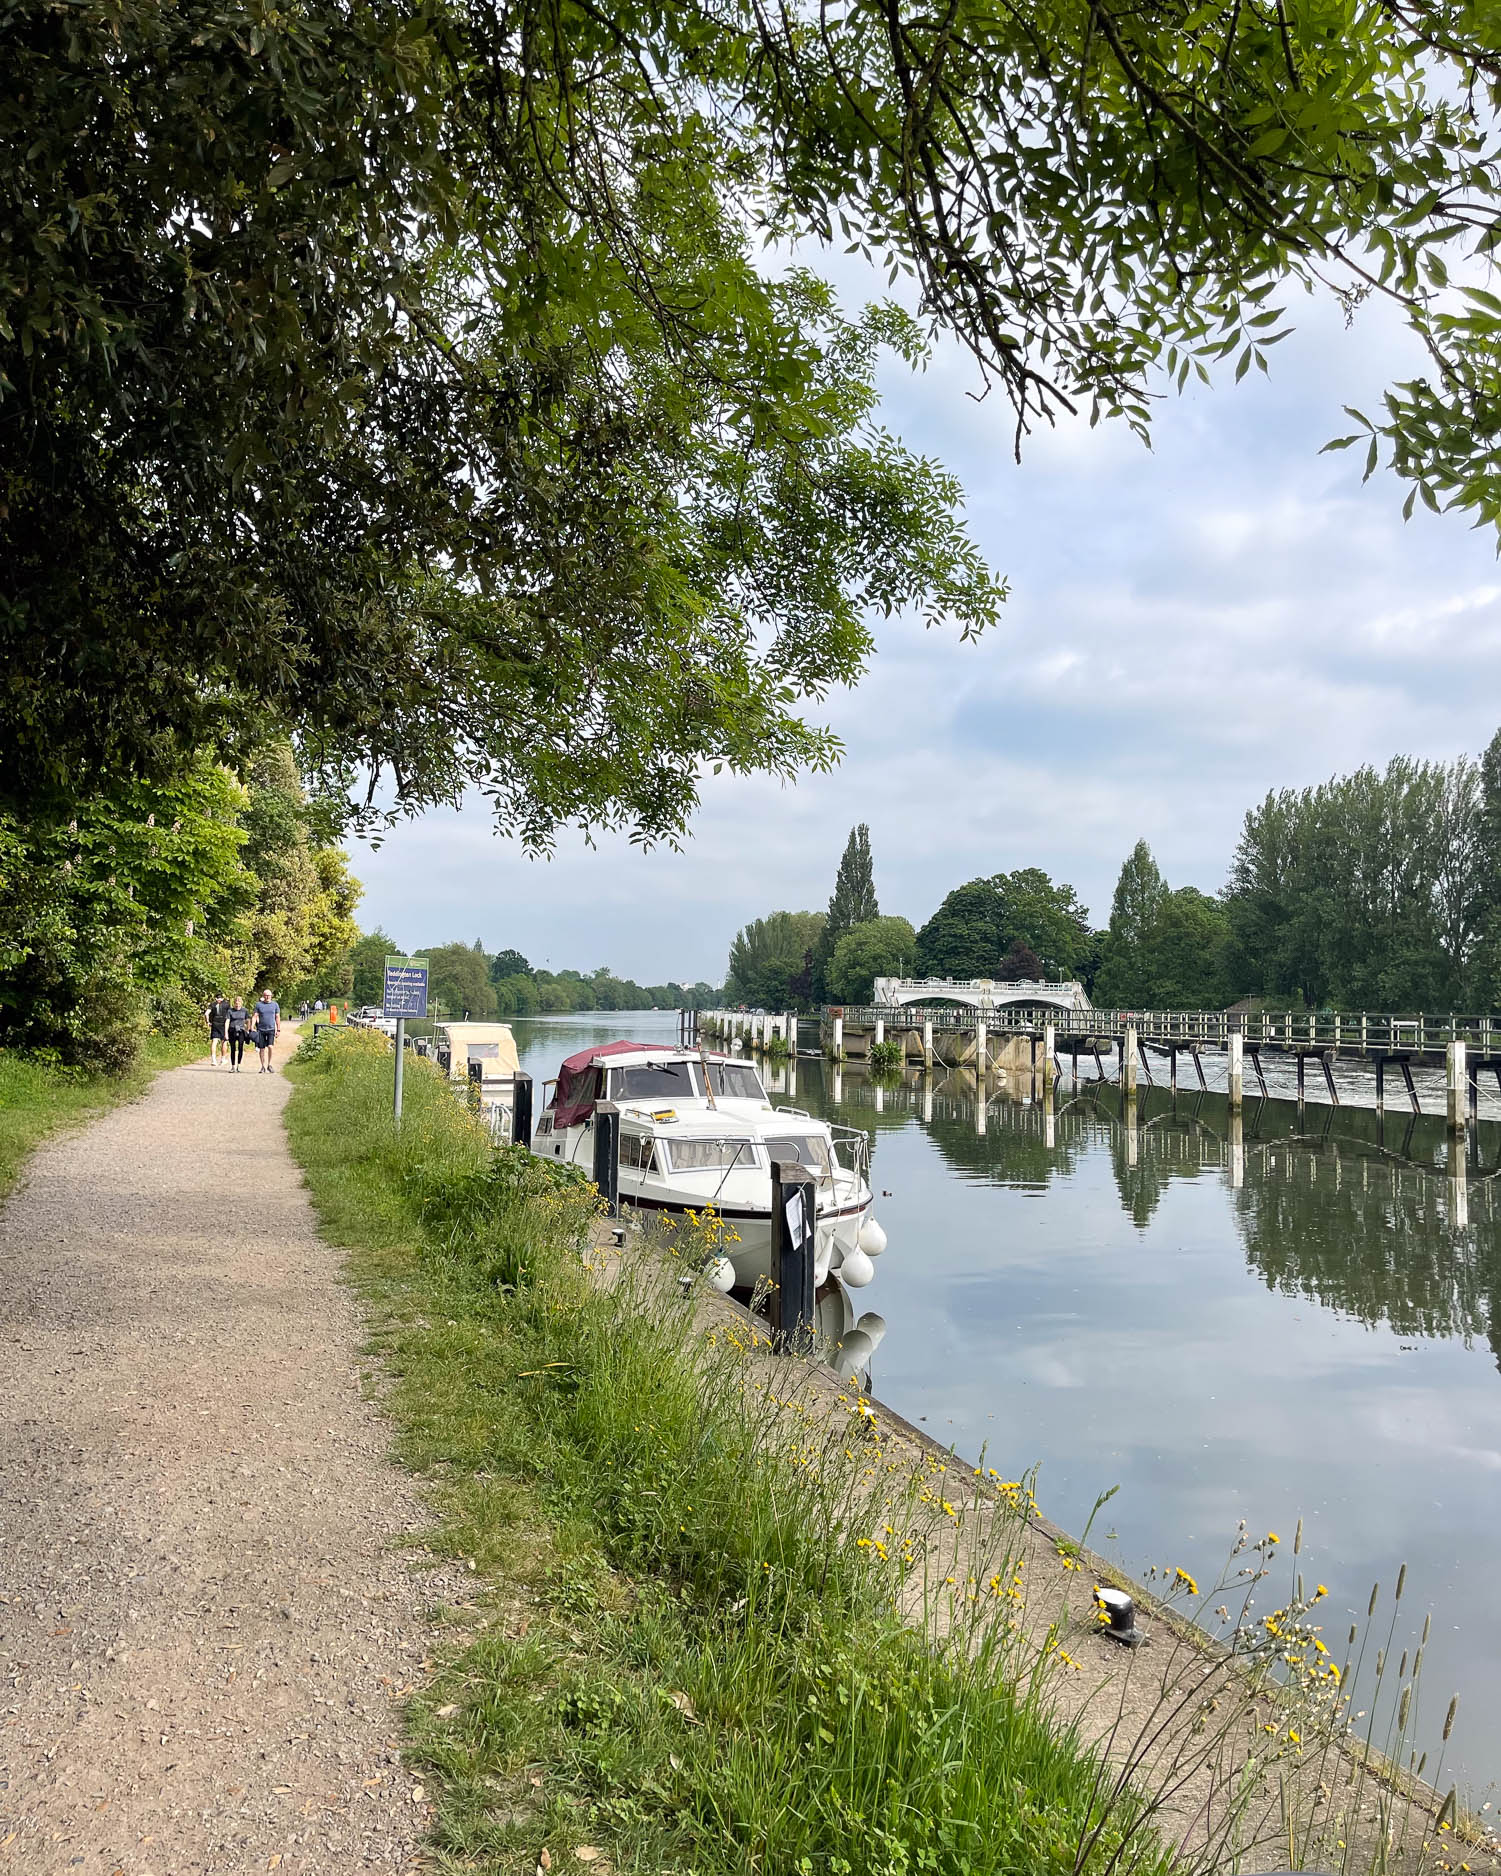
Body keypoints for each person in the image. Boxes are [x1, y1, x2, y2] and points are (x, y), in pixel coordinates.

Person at [254, 988, 281, 1073]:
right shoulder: (258, 1005)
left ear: (271, 996)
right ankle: (262, 1066)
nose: (267, 997)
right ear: (263, 996)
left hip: (271, 1029)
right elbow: (255, 1016)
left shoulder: (275, 1005)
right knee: (261, 1048)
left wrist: (278, 1029)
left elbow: (277, 1017)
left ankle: (269, 1064)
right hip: (261, 1029)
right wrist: (251, 1027)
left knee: (270, 1047)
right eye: (265, 995)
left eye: (268, 995)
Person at [225, 996, 253, 1073]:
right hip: (232, 1030)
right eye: (236, 1004)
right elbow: (227, 1021)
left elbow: (248, 1020)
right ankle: (233, 1066)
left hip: (241, 1030)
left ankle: (239, 1065)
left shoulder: (245, 1011)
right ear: (234, 1004)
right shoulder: (230, 1011)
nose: (237, 1006)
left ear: (241, 1003)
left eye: (239, 1004)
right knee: (233, 1048)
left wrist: (248, 1030)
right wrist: (226, 1033)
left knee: (240, 1047)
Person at [205, 990, 231, 1067]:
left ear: (215, 998)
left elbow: (206, 1014)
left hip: (214, 1024)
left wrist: (208, 1022)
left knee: (214, 1041)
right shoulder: (226, 1004)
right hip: (223, 1024)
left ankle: (213, 1060)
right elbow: (229, 1015)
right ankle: (223, 1059)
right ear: (222, 998)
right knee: (224, 1041)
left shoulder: (212, 1004)